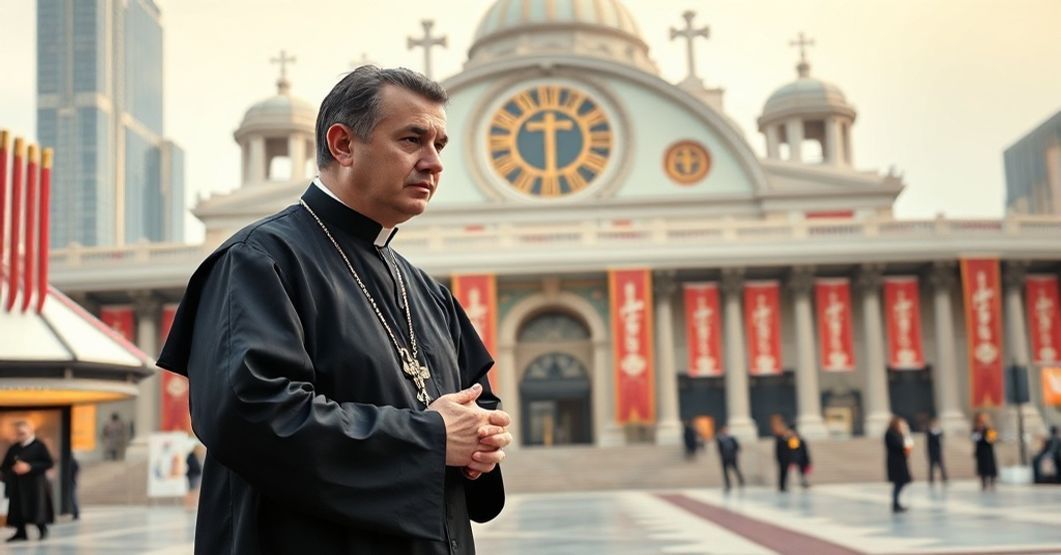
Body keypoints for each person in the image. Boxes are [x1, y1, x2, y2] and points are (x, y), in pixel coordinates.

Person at [157, 66, 511, 554]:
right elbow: (253, 416)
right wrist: (430, 437)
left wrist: (482, 441)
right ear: (343, 145)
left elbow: (476, 402)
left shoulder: (427, 291)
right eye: (412, 140)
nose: (434, 163)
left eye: (439, 145)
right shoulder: (260, 261)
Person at [1, 421, 55, 542]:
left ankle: (41, 529)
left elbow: (48, 463)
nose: (20, 435)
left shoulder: (39, 446)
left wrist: (30, 467)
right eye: (18, 433)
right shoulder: (14, 447)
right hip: (18, 485)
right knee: (18, 509)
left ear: (30, 432)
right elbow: (4, 466)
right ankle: (20, 532)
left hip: (35, 485)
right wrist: (13, 468)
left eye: (23, 433)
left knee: (36, 508)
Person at [884, 416, 912, 513]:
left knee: (901, 482)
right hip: (895, 462)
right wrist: (905, 434)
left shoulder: (898, 433)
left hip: (900, 461)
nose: (903, 425)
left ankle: (896, 503)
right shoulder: (890, 433)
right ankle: (895, 504)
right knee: (898, 483)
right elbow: (900, 445)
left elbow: (907, 446)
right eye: (901, 424)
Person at [971, 412, 998, 491]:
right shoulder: (975, 429)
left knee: (990, 466)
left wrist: (988, 436)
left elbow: (992, 440)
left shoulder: (990, 429)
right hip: (980, 451)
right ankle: (984, 483)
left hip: (988, 450)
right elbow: (974, 439)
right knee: (982, 467)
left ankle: (992, 482)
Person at [715, 425, 744, 492]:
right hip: (724, 458)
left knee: (736, 469)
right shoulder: (720, 439)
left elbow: (737, 447)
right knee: (725, 472)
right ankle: (728, 485)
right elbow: (719, 449)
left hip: (732, 457)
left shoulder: (732, 438)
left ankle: (741, 481)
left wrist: (734, 454)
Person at [772, 417, 792, 492]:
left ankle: (784, 485)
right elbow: (777, 450)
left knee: (786, 473)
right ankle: (781, 486)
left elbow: (794, 447)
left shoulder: (789, 439)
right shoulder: (779, 439)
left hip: (787, 458)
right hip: (781, 459)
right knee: (782, 473)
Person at [925, 418, 947, 485]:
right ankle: (931, 479)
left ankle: (944, 478)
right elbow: (928, 443)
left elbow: (942, 436)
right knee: (931, 467)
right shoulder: (929, 432)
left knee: (941, 466)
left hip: (938, 451)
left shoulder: (938, 431)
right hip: (931, 452)